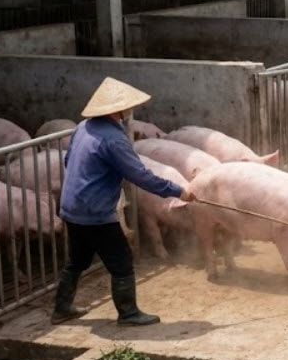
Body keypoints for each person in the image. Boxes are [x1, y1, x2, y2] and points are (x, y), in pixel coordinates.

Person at [51, 76, 195, 327]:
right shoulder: (114, 140)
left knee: (77, 260)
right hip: (96, 211)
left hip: (71, 206)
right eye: (127, 107)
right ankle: (128, 313)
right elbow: (138, 175)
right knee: (122, 261)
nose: (130, 111)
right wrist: (177, 191)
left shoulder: (82, 128)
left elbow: (68, 161)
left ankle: (61, 309)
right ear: (119, 110)